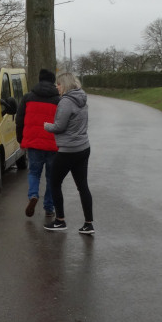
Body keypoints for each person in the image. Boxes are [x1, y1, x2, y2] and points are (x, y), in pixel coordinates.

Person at [42, 71, 94, 235]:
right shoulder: (82, 99)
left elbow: (59, 126)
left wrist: (46, 126)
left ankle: (60, 221)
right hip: (83, 148)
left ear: (64, 84)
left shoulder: (65, 102)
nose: (56, 87)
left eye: (58, 84)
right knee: (82, 186)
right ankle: (88, 224)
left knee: (54, 183)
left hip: (68, 151)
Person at [15, 68, 60, 219]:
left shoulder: (28, 97)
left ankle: (33, 195)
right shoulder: (58, 100)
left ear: (39, 80)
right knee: (51, 177)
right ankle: (49, 207)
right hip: (53, 143)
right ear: (53, 82)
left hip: (34, 143)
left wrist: (20, 138)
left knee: (34, 172)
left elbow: (19, 119)